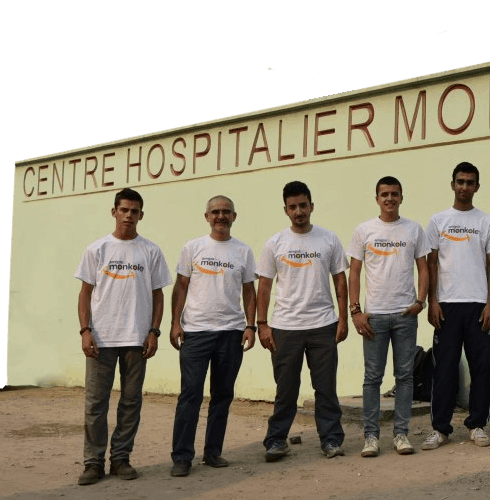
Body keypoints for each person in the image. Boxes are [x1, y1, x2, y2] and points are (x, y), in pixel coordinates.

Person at [74, 188, 172, 485]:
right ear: (114, 211)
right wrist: (85, 331)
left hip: (136, 339)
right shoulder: (97, 249)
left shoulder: (151, 251)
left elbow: (158, 295)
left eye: (135, 211)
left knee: (131, 402)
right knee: (95, 403)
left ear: (141, 215)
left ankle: (121, 459)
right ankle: (93, 462)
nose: (129, 215)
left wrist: (154, 331)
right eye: (124, 209)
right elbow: (85, 293)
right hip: (101, 340)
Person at [256, 181, 349, 460]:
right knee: (286, 389)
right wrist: (262, 324)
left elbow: (340, 281)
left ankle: (331, 439)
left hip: (323, 325)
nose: (299, 211)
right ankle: (276, 440)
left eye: (303, 205)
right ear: (285, 210)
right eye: (293, 207)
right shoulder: (275, 243)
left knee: (325, 388)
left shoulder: (329, 239)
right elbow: (264, 286)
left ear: (311, 206)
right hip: (285, 327)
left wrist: (343, 318)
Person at [169, 196, 257, 477]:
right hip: (195, 332)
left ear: (234, 216)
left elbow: (249, 292)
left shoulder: (243, 251)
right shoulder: (192, 247)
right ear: (206, 216)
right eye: (215, 212)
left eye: (226, 212)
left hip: (231, 333)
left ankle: (213, 452)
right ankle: (182, 457)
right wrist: (174, 323)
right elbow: (181, 286)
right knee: (190, 395)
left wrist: (250, 326)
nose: (221, 216)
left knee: (222, 396)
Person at [421, 162, 490, 450]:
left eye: (470, 182)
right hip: (446, 306)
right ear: (452, 184)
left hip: (479, 305)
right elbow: (431, 264)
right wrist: (432, 301)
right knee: (444, 369)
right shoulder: (438, 221)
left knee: (481, 368)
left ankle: (477, 425)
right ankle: (440, 429)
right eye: (460, 182)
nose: (465, 187)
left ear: (477, 187)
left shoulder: (486, 221)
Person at [348, 176, 430, 457]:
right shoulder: (364, 230)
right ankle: (371, 436)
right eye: (384, 194)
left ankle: (401, 434)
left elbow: (424, 267)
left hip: (405, 314)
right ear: (377, 198)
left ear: (402, 197)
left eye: (394, 194)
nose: (389, 199)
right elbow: (354, 272)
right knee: (372, 377)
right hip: (375, 317)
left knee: (405, 377)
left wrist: (421, 301)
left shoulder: (413, 229)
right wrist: (355, 311)